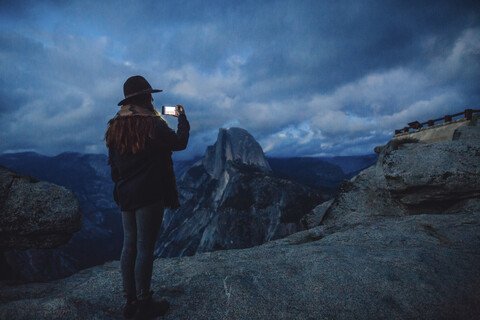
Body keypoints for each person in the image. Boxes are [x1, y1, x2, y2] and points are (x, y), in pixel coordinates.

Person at [105, 75, 190, 319]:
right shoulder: (153, 124)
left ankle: (130, 302)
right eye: (150, 94)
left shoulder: (114, 125)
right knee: (145, 247)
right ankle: (145, 302)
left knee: (128, 244)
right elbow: (180, 143)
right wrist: (182, 118)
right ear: (144, 97)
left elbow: (114, 165)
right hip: (150, 193)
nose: (153, 98)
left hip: (125, 194)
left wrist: (121, 186)